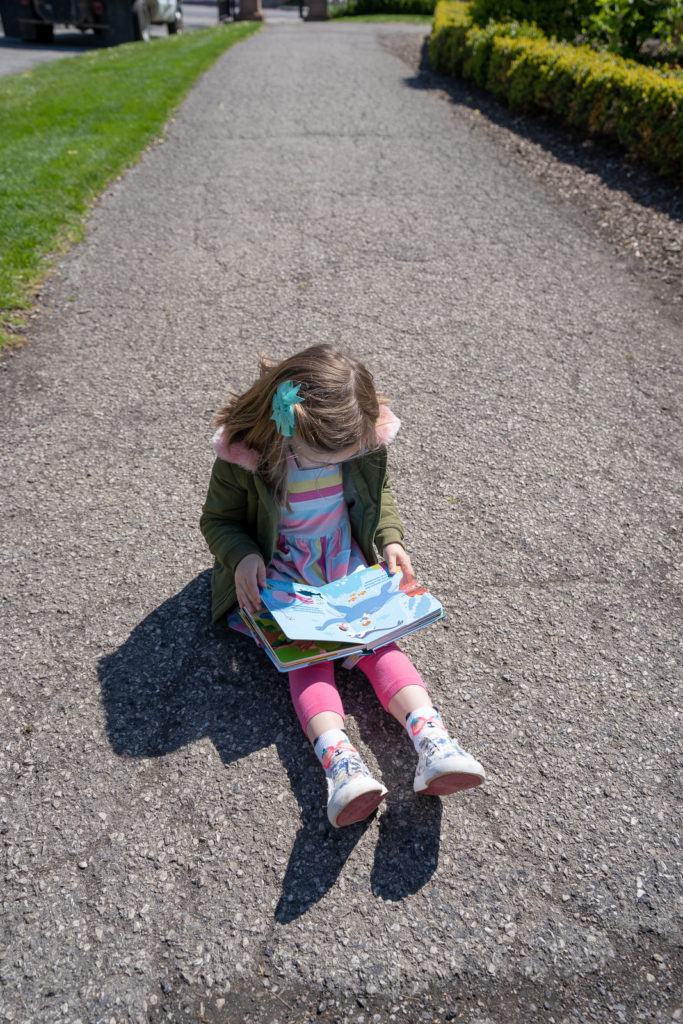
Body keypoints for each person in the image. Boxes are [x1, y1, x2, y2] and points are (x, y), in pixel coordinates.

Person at [200, 345, 485, 828]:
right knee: (308, 658)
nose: (349, 459)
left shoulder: (361, 436)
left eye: (354, 452)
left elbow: (381, 494)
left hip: (343, 562)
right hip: (282, 569)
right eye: (329, 457)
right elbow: (218, 520)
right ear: (292, 431)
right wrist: (243, 556)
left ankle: (434, 740)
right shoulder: (248, 452)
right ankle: (342, 766)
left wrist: (390, 539)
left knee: (378, 641)